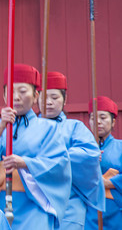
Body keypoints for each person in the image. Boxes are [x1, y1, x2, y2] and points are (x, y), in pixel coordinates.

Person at [0, 63, 71, 230]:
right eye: (10, 92)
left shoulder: (49, 128)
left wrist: (24, 163)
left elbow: (60, 164)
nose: (16, 97)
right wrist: (1, 127)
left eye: (22, 91)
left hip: (34, 205)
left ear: (35, 95)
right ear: (3, 96)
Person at [37, 72, 105, 230]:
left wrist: (45, 160)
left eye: (55, 97)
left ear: (65, 99)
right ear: (36, 98)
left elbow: (89, 154)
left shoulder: (75, 127)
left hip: (70, 203)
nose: (49, 102)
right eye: (44, 97)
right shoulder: (27, 129)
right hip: (35, 202)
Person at [85, 96, 122, 230]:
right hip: (89, 214)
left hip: (116, 213)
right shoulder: (82, 149)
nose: (98, 122)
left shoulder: (120, 147)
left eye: (103, 117)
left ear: (113, 122)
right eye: (93, 118)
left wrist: (108, 183)